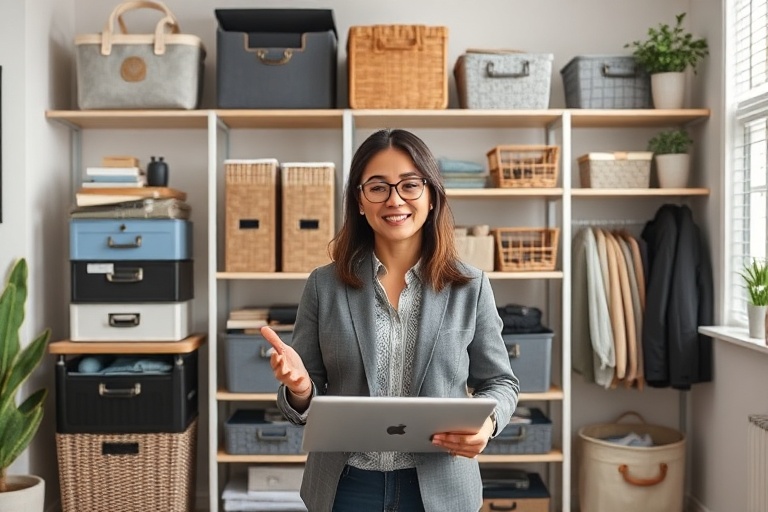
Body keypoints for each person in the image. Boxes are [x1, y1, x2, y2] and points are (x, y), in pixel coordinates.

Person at [261, 128, 519, 512]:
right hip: (346, 486)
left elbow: (501, 382)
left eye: (410, 185)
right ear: (360, 202)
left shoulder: (471, 286)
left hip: (439, 487)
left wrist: (488, 424)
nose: (395, 199)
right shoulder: (324, 285)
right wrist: (301, 388)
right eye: (378, 187)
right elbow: (304, 401)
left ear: (431, 196)